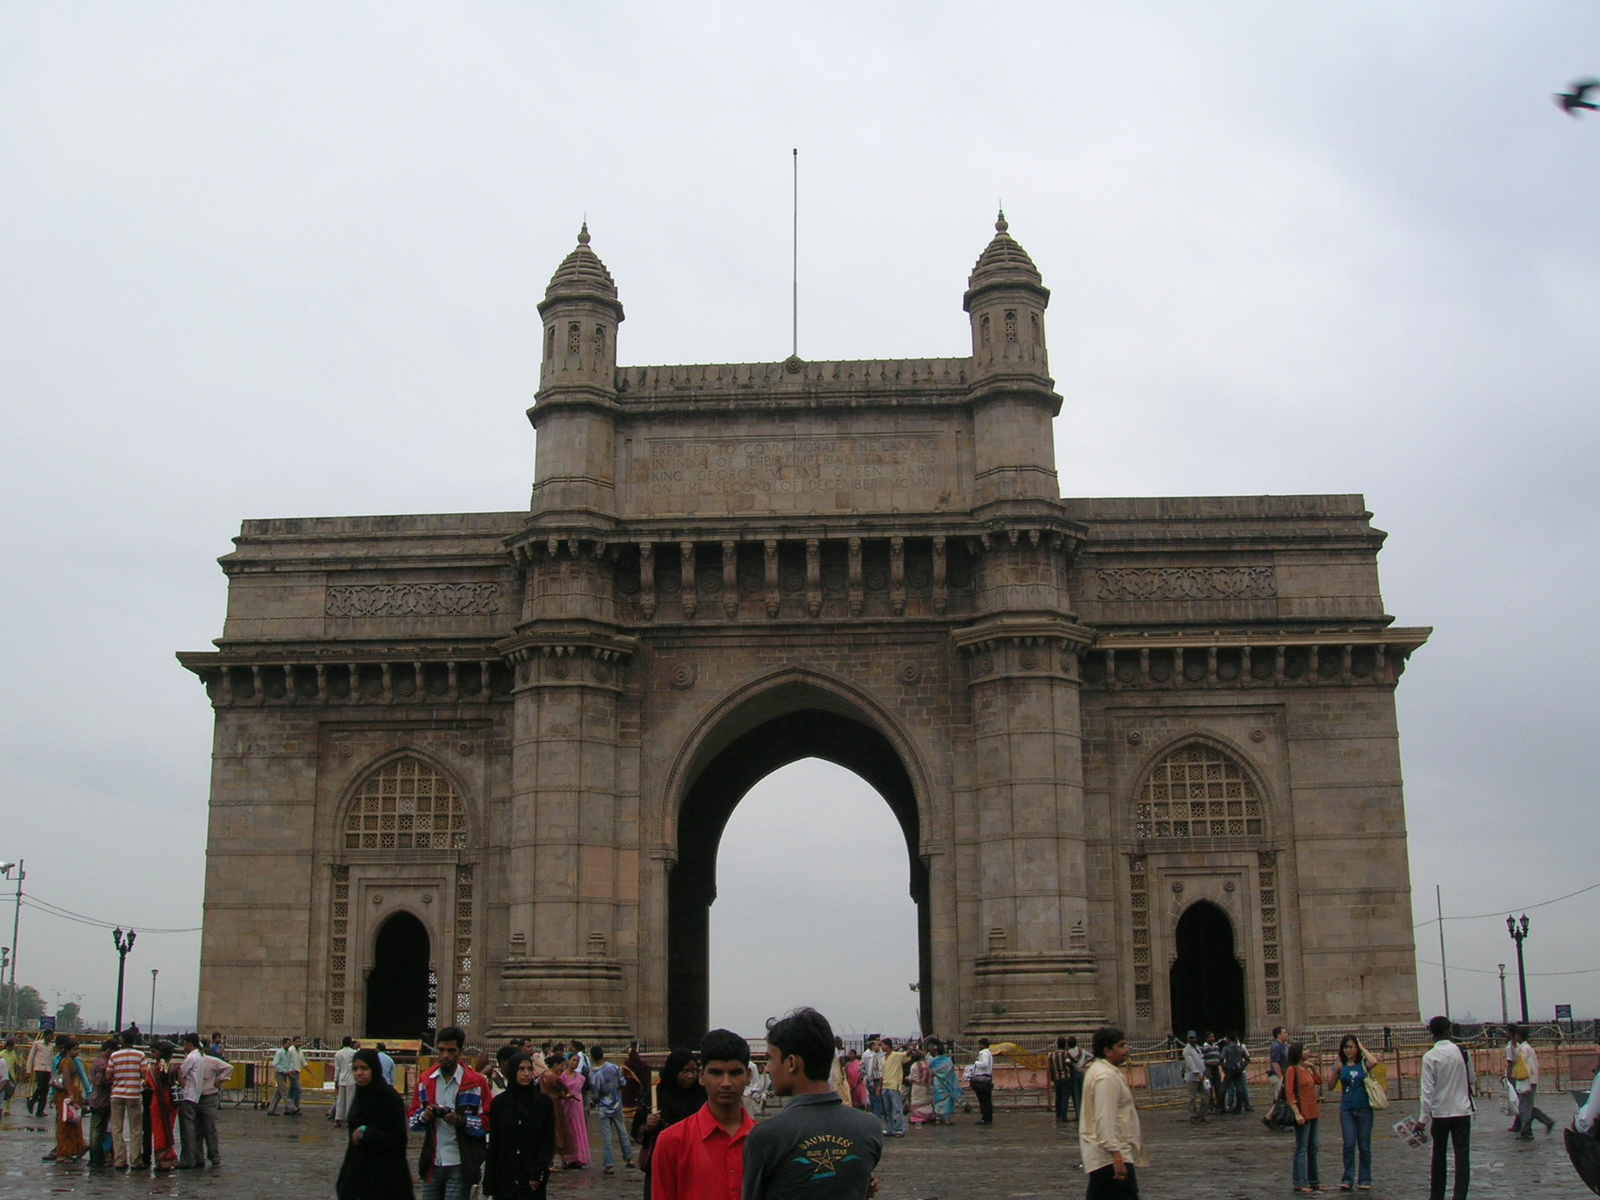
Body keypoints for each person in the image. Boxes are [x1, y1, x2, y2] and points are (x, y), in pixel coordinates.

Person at [743, 1007, 882, 1199]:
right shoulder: (869, 1128)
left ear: (791, 1063)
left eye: (770, 1059)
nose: (767, 1069)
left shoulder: (766, 1137)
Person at [651, 1029, 753, 1200]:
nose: (726, 1083)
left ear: (748, 1076)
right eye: (716, 1073)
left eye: (735, 1073)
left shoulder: (766, 1142)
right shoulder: (671, 1142)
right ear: (701, 1076)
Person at [407, 1026, 491, 1200]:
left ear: (460, 1052)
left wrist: (461, 1120)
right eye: (441, 1050)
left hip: (460, 1163)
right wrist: (425, 1116)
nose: (445, 1056)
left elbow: (487, 1122)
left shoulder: (476, 1083)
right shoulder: (425, 1081)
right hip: (433, 1162)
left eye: (451, 1050)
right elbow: (411, 1120)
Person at [339, 1046, 415, 1200]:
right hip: (360, 1176)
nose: (359, 1073)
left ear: (374, 1069)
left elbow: (399, 1140)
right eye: (355, 1069)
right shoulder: (359, 1097)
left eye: (364, 1068)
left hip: (386, 1180)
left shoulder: (389, 1098)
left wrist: (367, 1134)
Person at [1080, 1026, 1146, 1199]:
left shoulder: (1100, 1071)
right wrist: (1117, 1157)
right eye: (1122, 1046)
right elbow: (1105, 1119)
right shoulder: (1105, 1077)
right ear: (1108, 1051)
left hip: (1105, 1157)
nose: (1127, 1050)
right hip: (1110, 1158)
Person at [483, 1051, 556, 1199]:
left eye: (529, 1069)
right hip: (506, 1177)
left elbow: (548, 1141)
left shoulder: (543, 1103)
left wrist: (538, 1172)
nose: (526, 1074)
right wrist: (489, 1182)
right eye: (521, 1069)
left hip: (531, 1178)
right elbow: (495, 1144)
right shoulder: (500, 1103)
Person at [1420, 1015, 1474, 1200]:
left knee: (1438, 1155)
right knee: (1462, 1156)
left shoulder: (1429, 1057)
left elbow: (1427, 1092)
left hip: (1440, 1112)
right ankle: (1460, 1195)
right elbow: (1472, 1079)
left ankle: (1436, 1195)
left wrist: (1422, 1120)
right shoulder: (1463, 1052)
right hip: (1462, 1110)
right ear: (1448, 1031)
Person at [639, 1048, 704, 1199]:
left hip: (695, 1163)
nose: (690, 1076)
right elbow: (637, 1130)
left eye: (694, 1071)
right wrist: (648, 1126)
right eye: (685, 1071)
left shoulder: (702, 1095)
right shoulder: (656, 1094)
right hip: (662, 1164)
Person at [1332, 1035, 1377, 1192]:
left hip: (1364, 1108)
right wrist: (1335, 1071)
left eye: (1351, 1047)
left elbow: (1374, 1062)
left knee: (1364, 1146)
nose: (1348, 1050)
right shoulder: (1340, 1065)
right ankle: (1347, 1178)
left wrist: (1363, 1048)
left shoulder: (1363, 1064)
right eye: (1346, 1047)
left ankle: (1365, 1178)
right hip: (1347, 1109)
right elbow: (1330, 1086)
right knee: (1349, 1144)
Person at [1283, 1041, 1322, 1193]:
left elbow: (1319, 1081)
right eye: (1305, 1049)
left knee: (1313, 1148)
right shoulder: (1292, 1070)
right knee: (1302, 1148)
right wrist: (1296, 1112)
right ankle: (1299, 1181)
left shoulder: (1304, 1069)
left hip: (1313, 1112)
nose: (1308, 1051)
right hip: (1302, 1112)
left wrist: (1313, 1069)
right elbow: (1289, 1092)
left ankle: (1314, 1180)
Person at [589, 1046, 634, 1175]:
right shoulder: (613, 1067)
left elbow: (596, 1095)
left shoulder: (594, 1075)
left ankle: (609, 1165)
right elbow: (623, 1083)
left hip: (604, 1107)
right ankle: (629, 1158)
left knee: (607, 1138)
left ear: (592, 1057)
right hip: (617, 1103)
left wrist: (593, 1103)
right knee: (622, 1132)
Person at [106, 1031, 147, 1169]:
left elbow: (108, 1075)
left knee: (117, 1128)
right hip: (134, 1095)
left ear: (122, 1040)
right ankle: (135, 1160)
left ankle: (119, 1160)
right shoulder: (140, 1055)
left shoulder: (114, 1055)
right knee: (136, 1128)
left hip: (117, 1094)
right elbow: (145, 1074)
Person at [1505, 1026, 1554, 1139]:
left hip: (1526, 1080)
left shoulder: (1523, 1048)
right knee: (1526, 1105)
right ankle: (1545, 1122)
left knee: (1524, 1107)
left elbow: (1518, 1059)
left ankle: (1527, 1131)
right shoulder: (1527, 1047)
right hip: (1530, 1079)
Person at [47, 1037, 90, 1163]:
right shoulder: (66, 1062)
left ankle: (75, 1149)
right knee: (65, 1125)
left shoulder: (72, 1061)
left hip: (71, 1095)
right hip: (65, 1097)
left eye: (78, 1049)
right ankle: (63, 1153)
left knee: (73, 1124)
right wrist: (71, 1095)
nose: (77, 1052)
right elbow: (66, 1080)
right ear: (67, 1050)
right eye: (74, 1049)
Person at [147, 1040, 181, 1171]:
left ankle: (161, 1161)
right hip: (171, 1102)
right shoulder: (175, 1068)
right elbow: (182, 1084)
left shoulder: (153, 1068)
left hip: (157, 1101)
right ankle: (169, 1157)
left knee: (158, 1130)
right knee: (168, 1128)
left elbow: (147, 1084)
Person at [557, 1050, 591, 1169]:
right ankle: (567, 1157)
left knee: (578, 1129)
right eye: (573, 1060)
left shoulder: (580, 1078)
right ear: (568, 1061)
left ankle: (579, 1157)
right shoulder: (562, 1076)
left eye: (577, 1061)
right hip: (566, 1104)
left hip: (577, 1105)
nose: (575, 1063)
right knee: (568, 1130)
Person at [87, 1037, 115, 1168]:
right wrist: (112, 1081)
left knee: (95, 1129)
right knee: (98, 1130)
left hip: (95, 1098)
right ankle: (97, 1156)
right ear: (109, 1050)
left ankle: (95, 1156)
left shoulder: (96, 1061)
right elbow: (99, 1081)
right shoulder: (104, 1064)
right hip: (102, 1100)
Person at [880, 1038, 908, 1137]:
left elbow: (906, 1054)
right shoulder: (883, 1058)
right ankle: (890, 1129)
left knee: (897, 1108)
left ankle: (900, 1129)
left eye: (883, 1045)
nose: (881, 1047)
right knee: (888, 1110)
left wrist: (907, 1047)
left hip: (894, 1086)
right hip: (885, 1085)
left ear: (887, 1045)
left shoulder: (896, 1056)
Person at [928, 1040, 960, 1124]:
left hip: (937, 1082)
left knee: (938, 1100)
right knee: (947, 1100)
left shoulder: (934, 1061)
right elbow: (951, 1071)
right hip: (947, 1082)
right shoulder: (948, 1060)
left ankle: (938, 1118)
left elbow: (931, 1071)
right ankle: (947, 1119)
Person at [267, 1037, 301, 1116]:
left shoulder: (288, 1053)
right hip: (280, 1074)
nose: (289, 1045)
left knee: (278, 1093)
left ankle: (271, 1110)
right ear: (283, 1044)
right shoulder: (279, 1053)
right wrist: (285, 1071)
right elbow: (275, 1064)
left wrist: (290, 1070)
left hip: (285, 1074)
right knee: (284, 1092)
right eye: (288, 1044)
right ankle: (292, 1108)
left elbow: (288, 1064)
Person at [28, 1029, 55, 1118]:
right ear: (45, 1036)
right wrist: (28, 1069)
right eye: (50, 1036)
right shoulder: (37, 1044)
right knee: (41, 1086)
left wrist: (52, 1071)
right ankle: (32, 1100)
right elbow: (31, 1057)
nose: (51, 1038)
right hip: (39, 1067)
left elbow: (51, 1058)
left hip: (47, 1069)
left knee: (45, 1091)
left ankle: (40, 1111)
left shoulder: (51, 1046)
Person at [332, 1036, 359, 1125]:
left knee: (340, 1099)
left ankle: (338, 1118)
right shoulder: (354, 1053)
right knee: (350, 1099)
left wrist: (336, 1079)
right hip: (351, 1078)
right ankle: (349, 1118)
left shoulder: (338, 1053)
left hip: (341, 1078)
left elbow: (337, 1068)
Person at [1221, 1036, 1251, 1114]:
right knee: (1239, 1089)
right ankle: (1238, 1107)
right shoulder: (1240, 1048)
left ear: (1229, 1039)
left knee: (1224, 1089)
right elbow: (1247, 1059)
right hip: (1239, 1070)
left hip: (1230, 1070)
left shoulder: (1226, 1048)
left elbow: (1221, 1058)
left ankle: (1221, 1107)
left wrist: (1224, 1068)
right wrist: (1242, 1066)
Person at [1182, 1031, 1207, 1124]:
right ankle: (1193, 1116)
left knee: (1206, 1096)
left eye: (1193, 1038)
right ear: (1188, 1039)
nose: (1192, 1040)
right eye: (1190, 1038)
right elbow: (1191, 1064)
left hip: (1201, 1076)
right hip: (1192, 1077)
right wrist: (1198, 1074)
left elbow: (1201, 1060)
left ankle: (1201, 1116)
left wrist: (1203, 1073)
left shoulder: (1197, 1048)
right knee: (1192, 1098)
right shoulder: (1186, 1050)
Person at [970, 1037, 996, 1125]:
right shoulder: (988, 1053)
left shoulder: (984, 1053)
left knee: (983, 1100)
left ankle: (985, 1117)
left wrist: (976, 1063)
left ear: (982, 1045)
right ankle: (988, 1117)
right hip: (986, 1079)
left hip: (982, 1079)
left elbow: (984, 1064)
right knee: (987, 1100)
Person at [1050, 1036, 1076, 1122]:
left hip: (1057, 1078)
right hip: (1066, 1077)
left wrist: (1053, 1078)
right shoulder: (1066, 1054)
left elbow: (1051, 1068)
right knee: (1065, 1097)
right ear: (1065, 1045)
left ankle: (1058, 1115)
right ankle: (1064, 1116)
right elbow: (1070, 1062)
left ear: (1057, 1045)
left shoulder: (1052, 1055)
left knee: (1058, 1097)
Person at [860, 1038, 884, 1123]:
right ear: (873, 1046)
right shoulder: (873, 1056)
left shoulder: (868, 1054)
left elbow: (861, 1068)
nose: (879, 1047)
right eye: (877, 1045)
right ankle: (876, 1121)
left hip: (871, 1080)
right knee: (878, 1103)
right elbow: (871, 1070)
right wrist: (872, 1082)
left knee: (873, 1101)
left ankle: (872, 1119)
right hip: (875, 1080)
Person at [907, 1049, 933, 1124]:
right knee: (925, 1100)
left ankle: (918, 1116)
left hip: (916, 1086)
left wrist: (908, 1078)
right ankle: (927, 1115)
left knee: (917, 1101)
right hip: (925, 1086)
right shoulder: (926, 1065)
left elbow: (912, 1077)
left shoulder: (913, 1066)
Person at [1202, 1033, 1223, 1114]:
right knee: (1209, 1088)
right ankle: (1210, 1106)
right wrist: (1209, 1063)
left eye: (1213, 1036)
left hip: (1216, 1068)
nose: (1212, 1038)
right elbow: (1201, 1059)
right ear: (1206, 1038)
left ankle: (1219, 1105)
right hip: (1208, 1068)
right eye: (1210, 1037)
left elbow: (1218, 1056)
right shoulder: (1204, 1048)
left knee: (1218, 1087)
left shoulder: (1216, 1047)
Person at [1269, 1026, 1291, 1095]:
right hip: (1277, 1076)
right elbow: (1275, 1063)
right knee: (1280, 1098)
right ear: (1278, 1035)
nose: (1287, 1034)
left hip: (1284, 1074)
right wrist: (1281, 1078)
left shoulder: (1286, 1045)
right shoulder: (1276, 1046)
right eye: (1284, 1033)